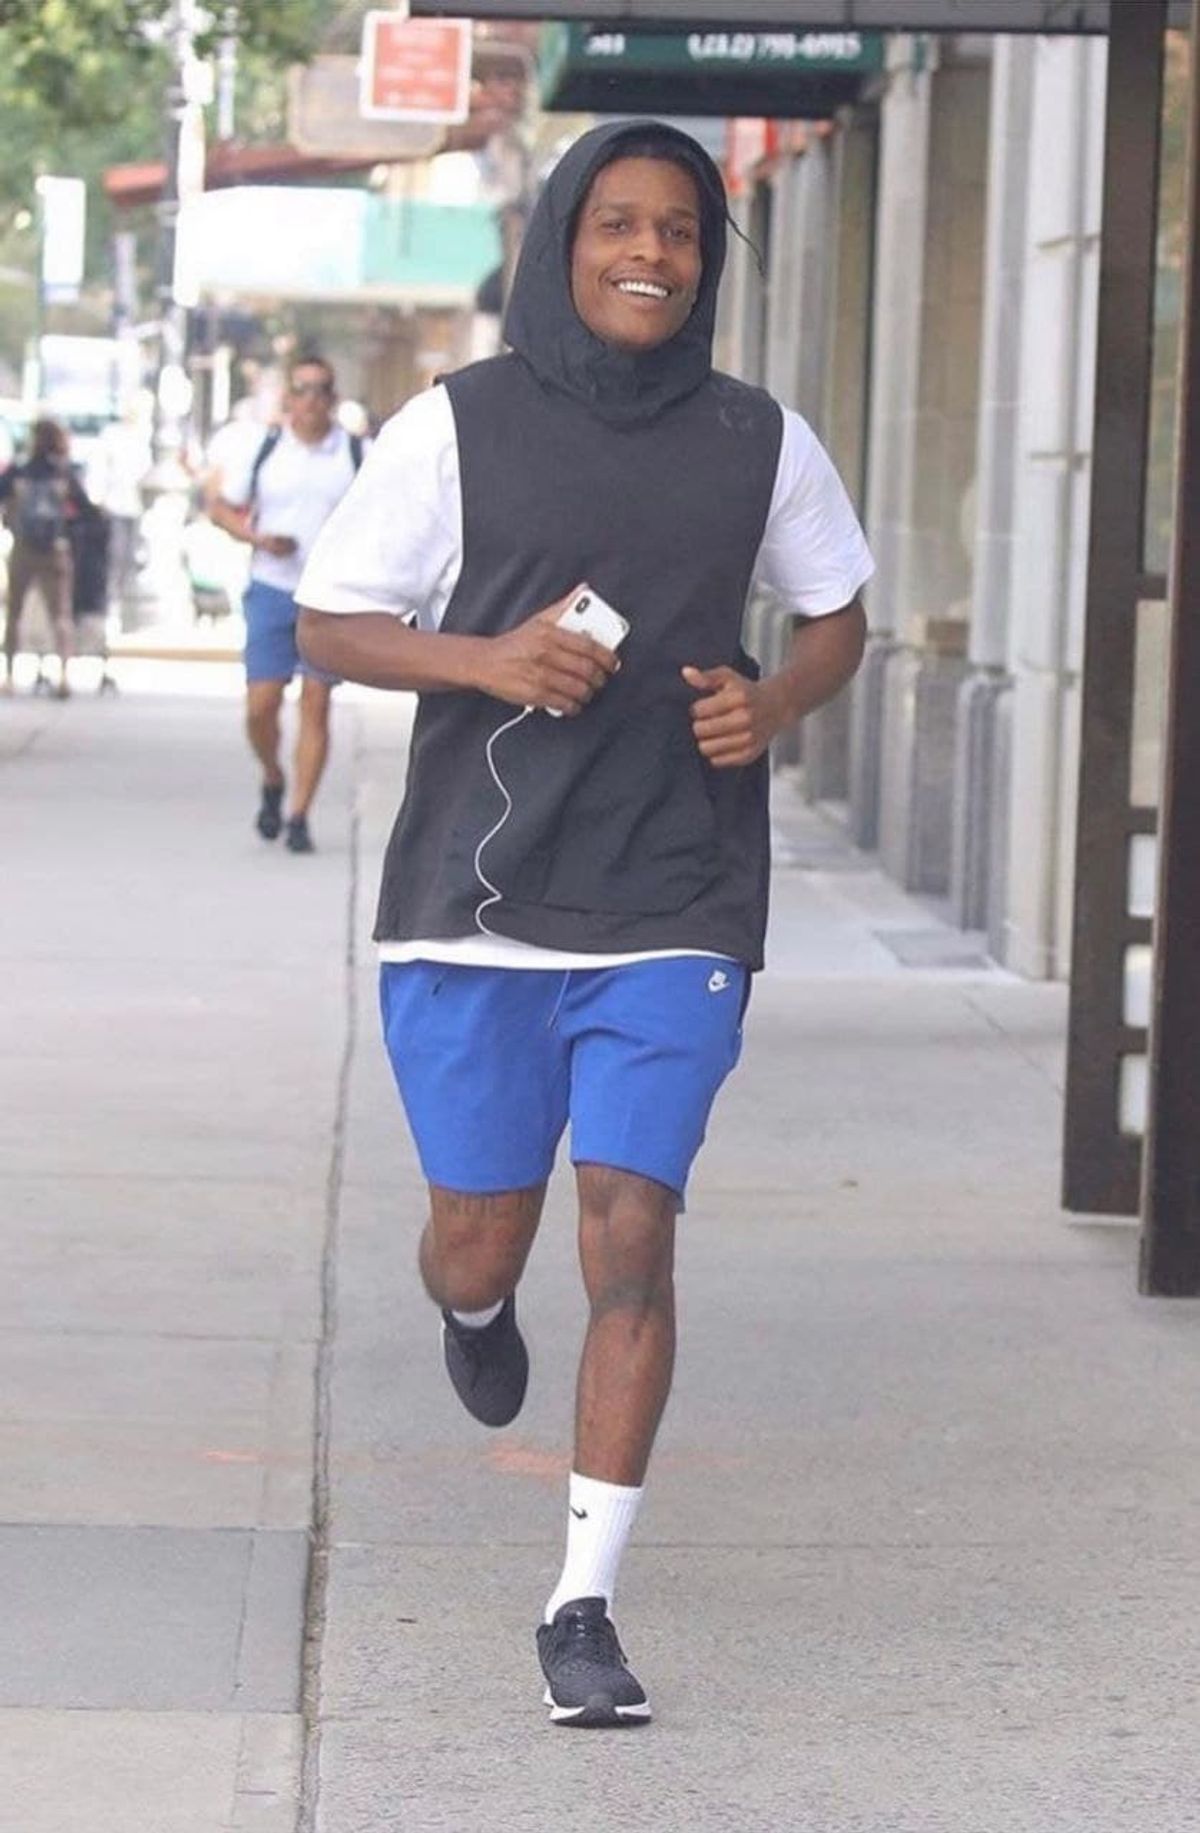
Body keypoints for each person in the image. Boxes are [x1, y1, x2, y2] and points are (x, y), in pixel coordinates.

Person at [296, 120, 873, 1727]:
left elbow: (839, 614)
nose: (650, 254)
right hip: (475, 905)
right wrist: (485, 660)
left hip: (677, 891)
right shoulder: (456, 425)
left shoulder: (760, 439)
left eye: (680, 230)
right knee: (482, 1233)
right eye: (619, 223)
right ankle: (472, 1304)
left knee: (630, 1226)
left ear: (705, 260)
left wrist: (776, 701)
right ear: (564, 243)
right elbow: (330, 622)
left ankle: (582, 1604)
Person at [210, 355, 361, 854]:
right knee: (261, 705)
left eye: (321, 389)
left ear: (333, 398)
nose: (311, 399)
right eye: (302, 389)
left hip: (329, 596)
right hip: (272, 587)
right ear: (288, 398)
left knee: (317, 702)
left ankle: (299, 814)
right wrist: (257, 539)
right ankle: (273, 775)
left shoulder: (355, 453)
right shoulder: (266, 449)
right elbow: (219, 506)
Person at [0, 417, 91, 698]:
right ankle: (63, 675)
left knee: (14, 612)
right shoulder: (63, 472)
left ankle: (9, 676)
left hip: (24, 547)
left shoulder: (19, 471)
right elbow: (85, 509)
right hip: (55, 549)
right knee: (60, 614)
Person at [84, 400, 152, 619]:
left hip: (138, 506)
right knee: (114, 556)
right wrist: (97, 499)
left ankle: (125, 602)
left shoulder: (144, 435)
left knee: (132, 558)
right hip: (115, 506)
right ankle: (111, 604)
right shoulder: (111, 435)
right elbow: (99, 468)